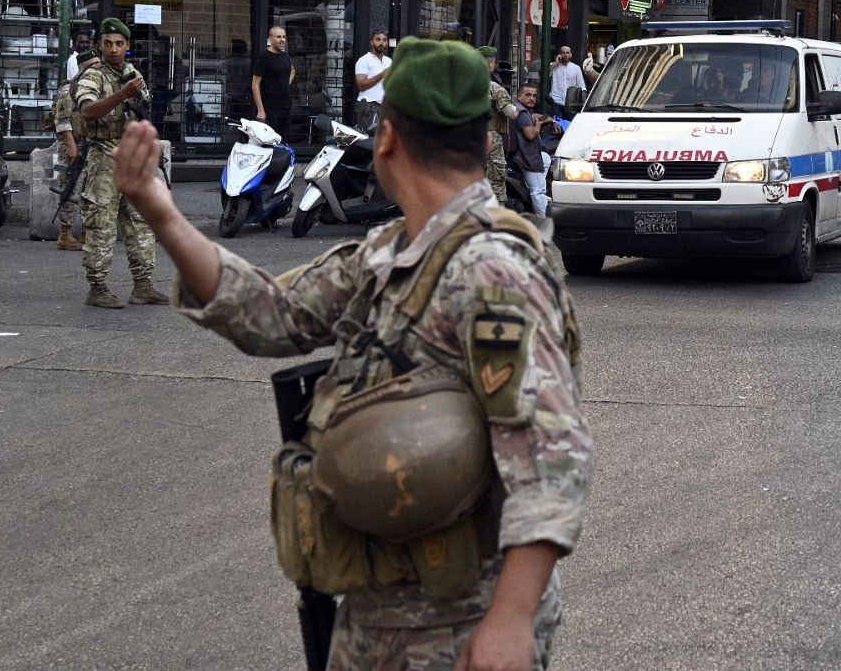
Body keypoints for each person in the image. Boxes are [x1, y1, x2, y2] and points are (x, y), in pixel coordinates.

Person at [109, 37, 593, 669]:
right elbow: (272, 317)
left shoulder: (493, 271)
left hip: (463, 620)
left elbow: (552, 453)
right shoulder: (391, 252)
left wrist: (510, 618)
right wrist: (163, 214)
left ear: (386, 138)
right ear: (483, 141)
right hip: (378, 608)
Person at [75, 18, 168, 309]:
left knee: (141, 223)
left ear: (128, 46)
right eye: (107, 44)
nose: (113, 49)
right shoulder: (93, 76)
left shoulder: (130, 72)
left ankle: (143, 286)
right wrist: (121, 95)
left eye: (119, 44)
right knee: (101, 224)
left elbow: (144, 105)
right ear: (99, 45)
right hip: (104, 156)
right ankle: (98, 288)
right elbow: (88, 111)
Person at [52, 49, 101, 250]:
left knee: (90, 192)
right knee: (71, 188)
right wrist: (71, 146)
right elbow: (62, 121)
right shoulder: (68, 91)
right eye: (94, 65)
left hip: (92, 146)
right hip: (75, 146)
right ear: (83, 68)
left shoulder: (95, 89)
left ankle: (85, 234)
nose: (99, 69)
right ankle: (65, 234)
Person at [479, 46, 521, 203]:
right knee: (497, 176)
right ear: (490, 64)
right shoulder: (494, 88)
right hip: (490, 138)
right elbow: (512, 113)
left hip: (465, 138)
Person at [507, 83, 552, 216]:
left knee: (546, 158)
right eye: (528, 95)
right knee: (537, 192)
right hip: (527, 157)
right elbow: (530, 134)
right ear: (519, 96)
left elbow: (534, 116)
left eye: (534, 95)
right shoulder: (522, 113)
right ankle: (544, 223)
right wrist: (538, 127)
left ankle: (536, 188)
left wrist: (553, 122)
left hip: (528, 155)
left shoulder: (521, 110)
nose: (532, 98)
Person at [251, 25, 294, 136]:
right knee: (269, 140)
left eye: (284, 37)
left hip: (285, 107)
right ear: (270, 38)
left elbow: (292, 70)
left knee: (282, 140)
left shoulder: (284, 56)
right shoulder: (264, 57)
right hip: (270, 108)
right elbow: (255, 84)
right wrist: (260, 110)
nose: (282, 40)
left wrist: (286, 83)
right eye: (278, 37)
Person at [355, 28, 391, 132]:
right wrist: (383, 74)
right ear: (372, 42)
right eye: (378, 39)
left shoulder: (389, 61)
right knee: (367, 142)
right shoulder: (364, 60)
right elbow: (361, 85)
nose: (381, 43)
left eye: (384, 40)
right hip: (369, 107)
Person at [547, 47, 586, 116]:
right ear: (559, 54)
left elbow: (581, 86)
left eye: (567, 53)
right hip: (556, 101)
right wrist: (556, 63)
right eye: (563, 53)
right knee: (558, 124)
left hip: (571, 103)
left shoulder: (576, 68)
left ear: (570, 55)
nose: (565, 55)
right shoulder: (553, 66)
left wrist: (584, 103)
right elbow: (545, 75)